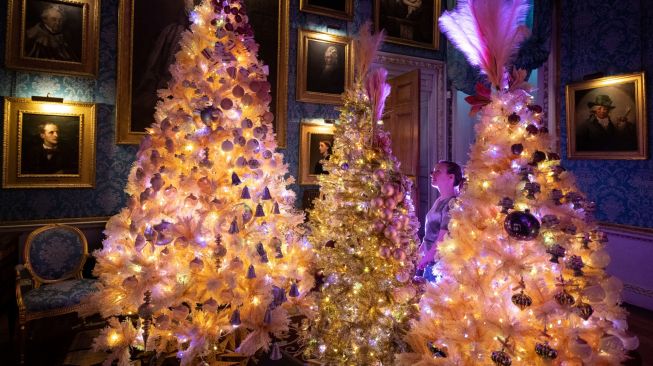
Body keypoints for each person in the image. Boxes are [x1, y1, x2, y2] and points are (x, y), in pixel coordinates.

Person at [416, 161, 463, 282]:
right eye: (433, 170)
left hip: (440, 265)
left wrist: (428, 257)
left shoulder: (453, 203)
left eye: (438, 171)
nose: (432, 173)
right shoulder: (439, 200)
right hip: (430, 261)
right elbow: (430, 234)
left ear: (451, 177)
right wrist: (419, 253)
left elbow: (443, 236)